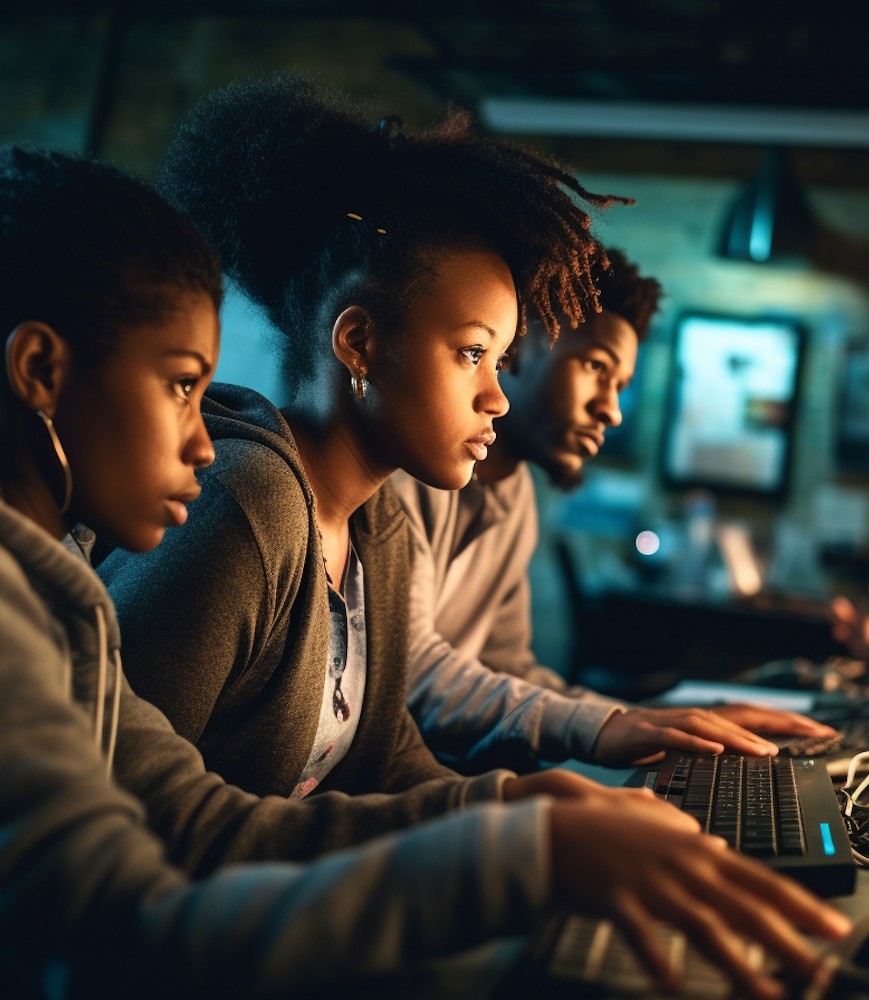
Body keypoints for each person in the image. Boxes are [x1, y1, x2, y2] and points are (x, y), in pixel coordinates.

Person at [0, 146, 849, 999]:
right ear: (44, 372)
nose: (204, 439)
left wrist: (516, 814)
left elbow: (200, 820)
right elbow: (117, 923)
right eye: (179, 385)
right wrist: (517, 853)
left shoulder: (30, 584)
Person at [100, 77, 705, 808]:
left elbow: (387, 764)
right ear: (358, 344)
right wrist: (524, 833)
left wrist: (543, 810)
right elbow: (128, 827)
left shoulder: (375, 528)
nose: (497, 396)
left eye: (500, 360)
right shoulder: (244, 510)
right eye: (472, 354)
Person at [399, 248, 839, 772]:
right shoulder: (405, 475)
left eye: (620, 386)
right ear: (513, 346)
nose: (610, 409)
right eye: (594, 367)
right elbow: (410, 671)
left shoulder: (514, 494)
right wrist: (602, 726)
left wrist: (658, 718)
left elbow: (506, 667)